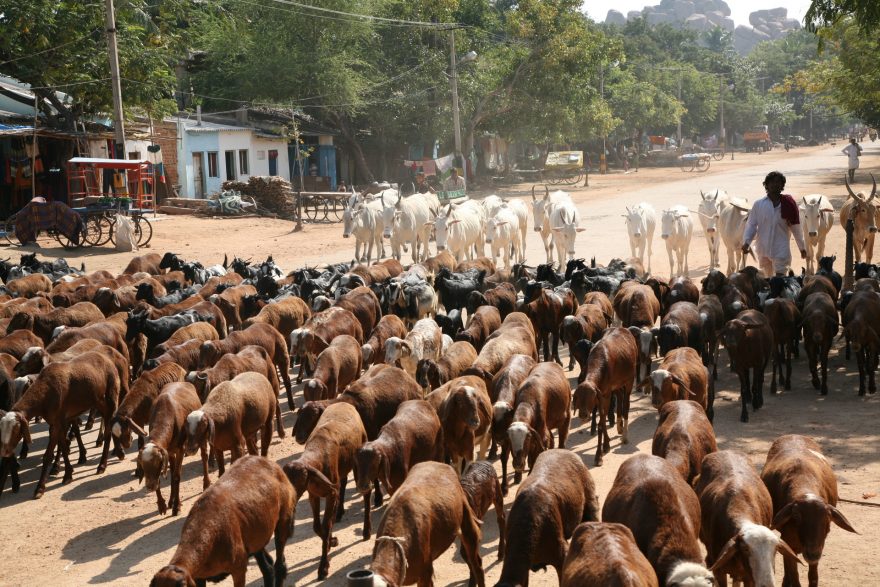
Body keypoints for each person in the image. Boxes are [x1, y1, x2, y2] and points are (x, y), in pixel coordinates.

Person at [742, 171, 807, 277]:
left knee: (780, 281)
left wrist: (802, 247)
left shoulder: (788, 204)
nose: (775, 184)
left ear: (782, 186)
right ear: (766, 185)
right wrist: (746, 242)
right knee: (767, 279)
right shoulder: (759, 204)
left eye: (778, 182)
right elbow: (751, 225)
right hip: (763, 248)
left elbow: (796, 227)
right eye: (772, 182)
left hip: (781, 248)